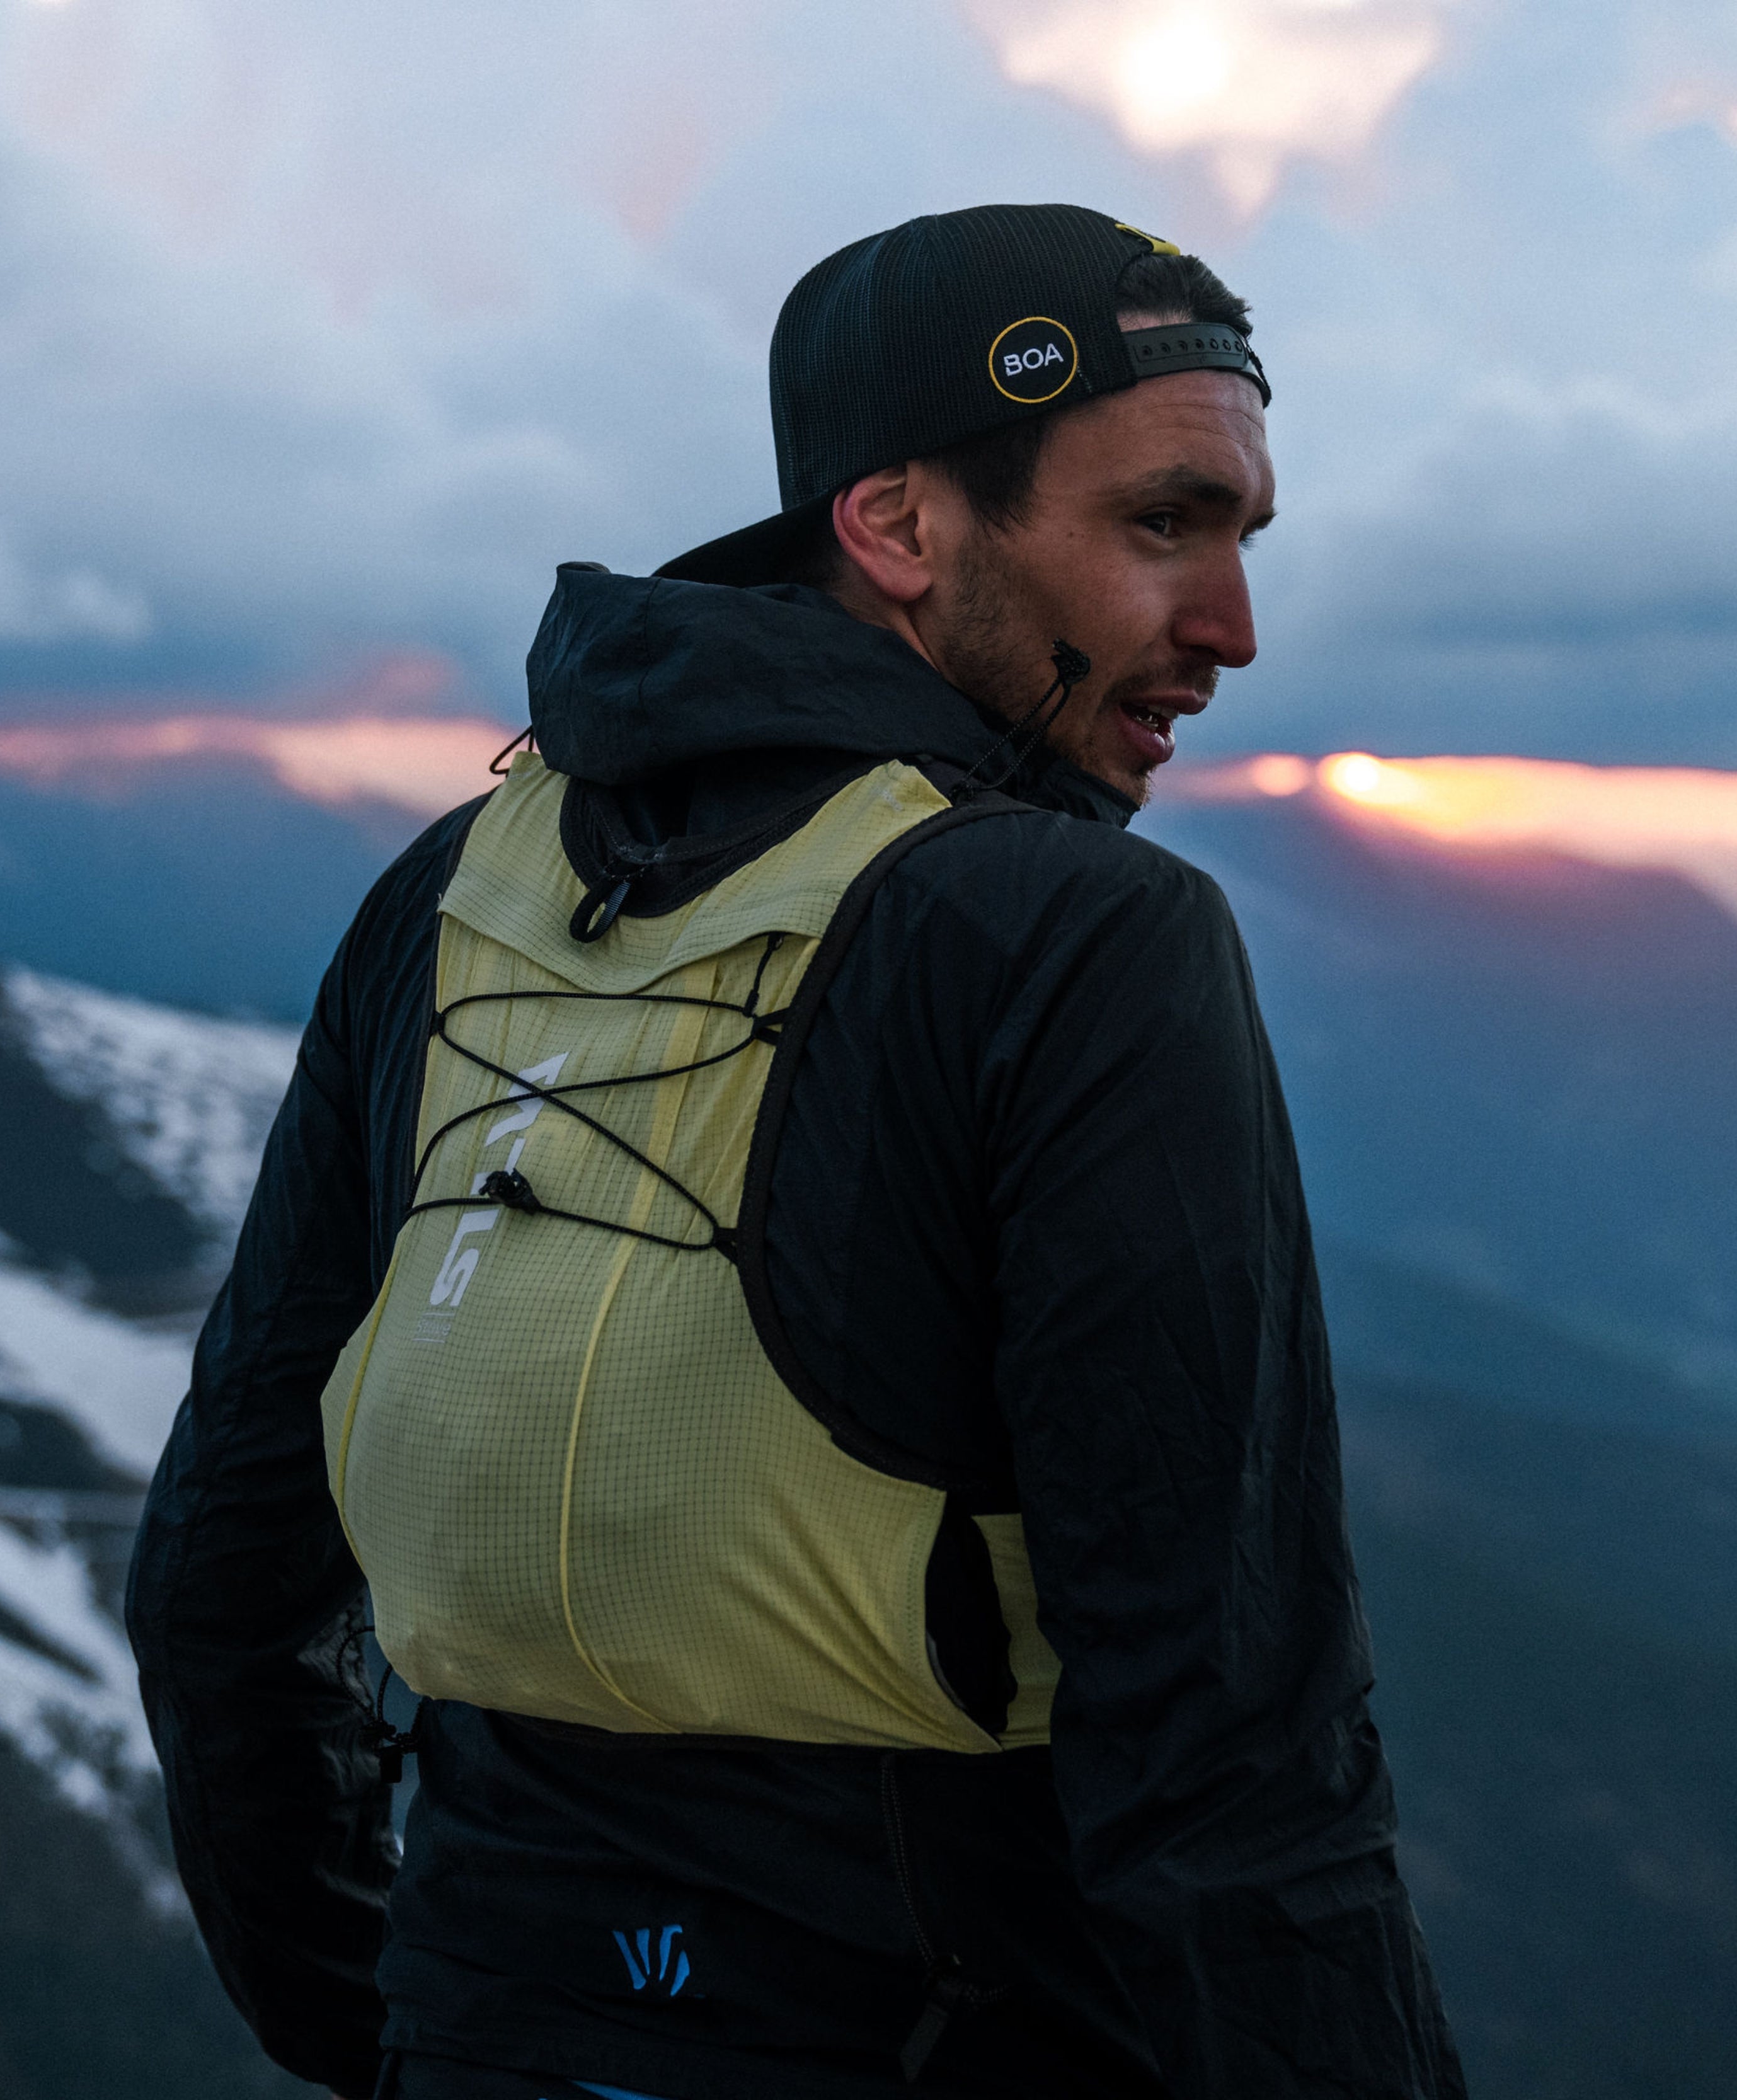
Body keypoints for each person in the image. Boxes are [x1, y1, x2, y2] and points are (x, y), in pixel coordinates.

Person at [127, 202, 1465, 2100]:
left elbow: (222, 1582)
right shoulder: (1075, 937)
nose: (1232, 629)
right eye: (1164, 524)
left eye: (1243, 535)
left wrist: (384, 2021)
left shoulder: (456, 891)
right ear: (900, 526)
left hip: (488, 2029)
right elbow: (1231, 1740)